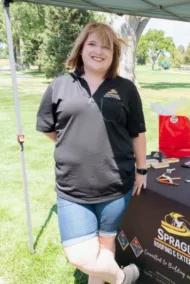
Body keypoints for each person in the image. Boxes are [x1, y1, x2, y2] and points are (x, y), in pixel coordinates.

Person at [36, 22, 147, 284]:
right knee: (80, 256)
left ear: (113, 54)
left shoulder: (126, 89)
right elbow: (48, 129)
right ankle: (123, 277)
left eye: (106, 46)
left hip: (115, 185)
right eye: (92, 44)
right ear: (81, 49)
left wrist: (141, 169)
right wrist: (72, 145)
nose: (99, 51)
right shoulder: (60, 85)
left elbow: (137, 133)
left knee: (105, 246)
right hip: (72, 188)